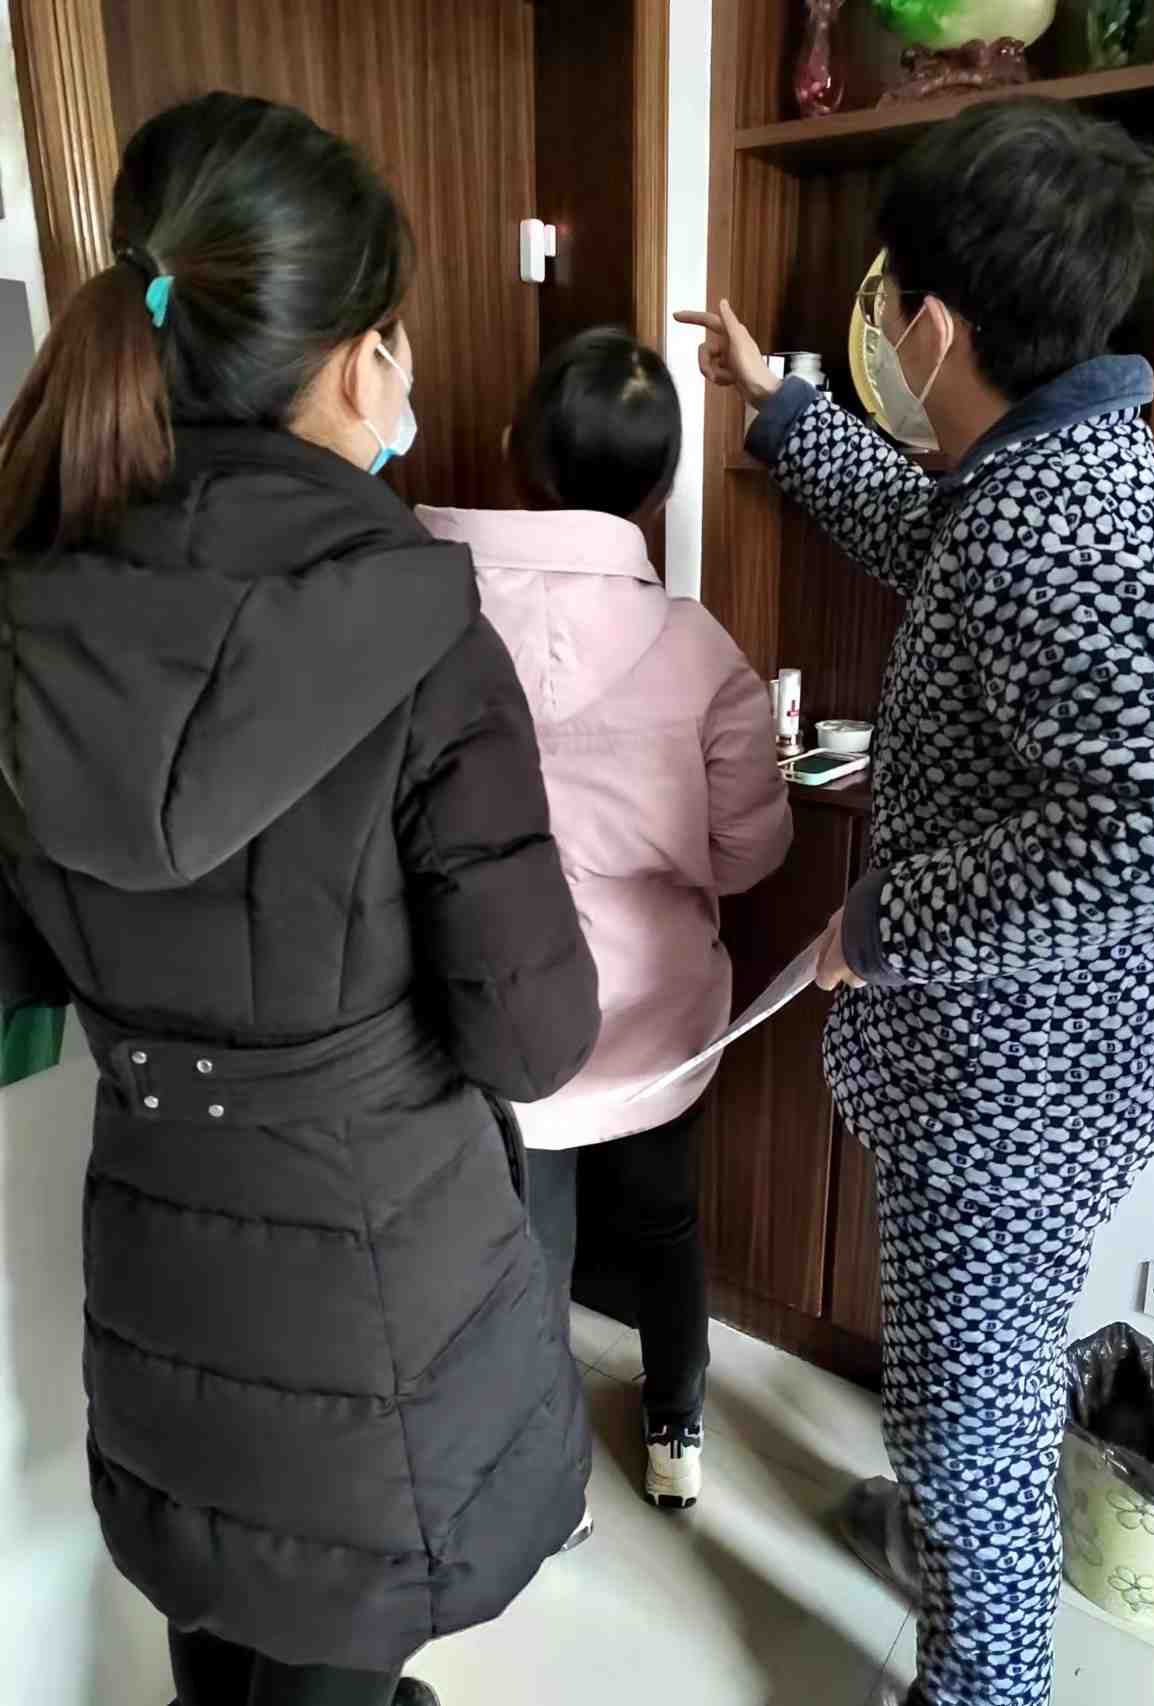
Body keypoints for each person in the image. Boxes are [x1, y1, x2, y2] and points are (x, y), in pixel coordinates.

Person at [0, 94, 601, 1706]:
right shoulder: (421, 636)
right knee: (330, 1632)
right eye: (395, 341)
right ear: (355, 360)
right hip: (374, 1298)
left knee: (222, 1611)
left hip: (163, 1257)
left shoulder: (31, 614)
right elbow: (533, 1039)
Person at [678, 97, 1154, 1706]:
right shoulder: (1034, 467)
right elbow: (927, 537)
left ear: (929, 326)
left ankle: (982, 1671)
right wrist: (779, 406)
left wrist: (885, 921)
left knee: (960, 1420)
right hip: (1020, 1074)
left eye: (885, 297)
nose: (879, 323)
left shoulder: (1059, 520)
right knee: (964, 1385)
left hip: (1016, 1094)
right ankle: (952, 1527)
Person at [419, 329, 791, 1511]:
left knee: (531, 1239)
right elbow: (750, 853)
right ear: (662, 487)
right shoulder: (698, 649)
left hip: (502, 1006)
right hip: (656, 1016)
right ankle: (676, 1428)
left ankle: (551, 1481)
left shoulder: (428, 616)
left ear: (515, 449)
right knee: (665, 1221)